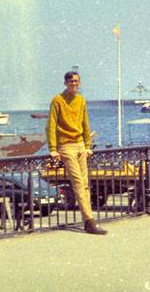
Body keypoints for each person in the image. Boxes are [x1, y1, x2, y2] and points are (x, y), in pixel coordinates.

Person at [46, 71, 107, 235]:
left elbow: (85, 123)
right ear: (65, 83)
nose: (74, 83)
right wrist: (53, 149)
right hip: (66, 147)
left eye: (77, 81)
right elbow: (51, 125)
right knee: (78, 182)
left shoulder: (81, 100)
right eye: (71, 81)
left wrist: (87, 145)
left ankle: (89, 221)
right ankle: (90, 221)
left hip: (80, 146)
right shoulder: (57, 100)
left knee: (85, 184)